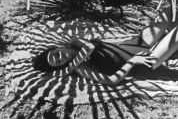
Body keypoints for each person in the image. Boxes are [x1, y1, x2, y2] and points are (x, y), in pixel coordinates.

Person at [33, 8, 178, 85]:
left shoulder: (74, 42)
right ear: (61, 65)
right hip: (143, 62)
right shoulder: (81, 68)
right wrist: (133, 61)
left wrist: (73, 63)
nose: (61, 57)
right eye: (58, 62)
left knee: (170, 10)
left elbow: (89, 47)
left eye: (56, 54)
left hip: (135, 43)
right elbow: (112, 80)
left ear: (56, 47)